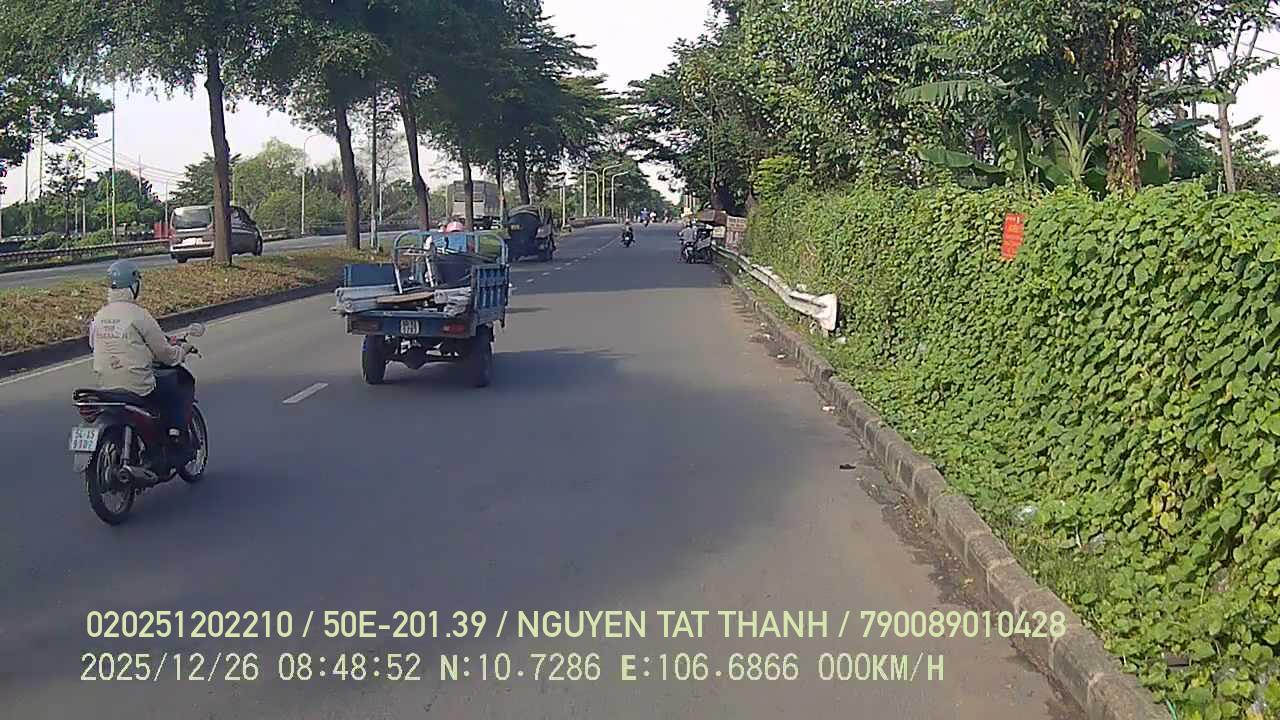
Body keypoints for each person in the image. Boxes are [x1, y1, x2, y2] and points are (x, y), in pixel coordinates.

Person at [89, 260, 194, 463]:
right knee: (175, 388)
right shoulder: (139, 315)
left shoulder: (99, 316)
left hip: (106, 385)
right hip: (136, 385)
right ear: (133, 286)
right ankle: (175, 440)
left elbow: (95, 344)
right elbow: (165, 353)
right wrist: (182, 351)